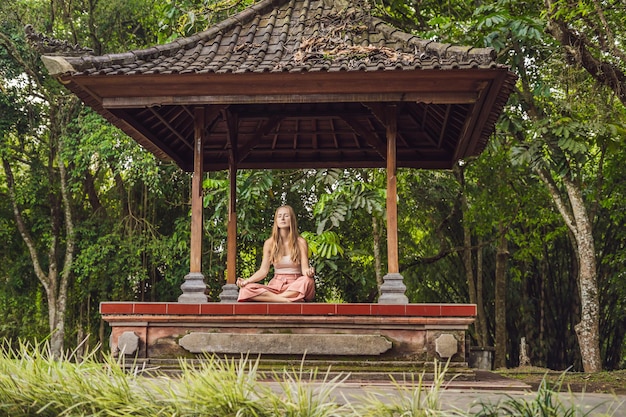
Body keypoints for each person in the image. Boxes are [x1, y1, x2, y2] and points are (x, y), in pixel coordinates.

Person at [237, 205, 315, 302]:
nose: (282, 218)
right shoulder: (269, 243)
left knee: (308, 280)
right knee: (246, 289)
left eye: (286, 215)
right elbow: (263, 271)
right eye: (279, 216)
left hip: (295, 285)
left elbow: (305, 270)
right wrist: (247, 280)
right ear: (276, 221)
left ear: (292, 219)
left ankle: (275, 299)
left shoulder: (300, 242)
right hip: (276, 286)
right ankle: (285, 300)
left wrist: (309, 272)